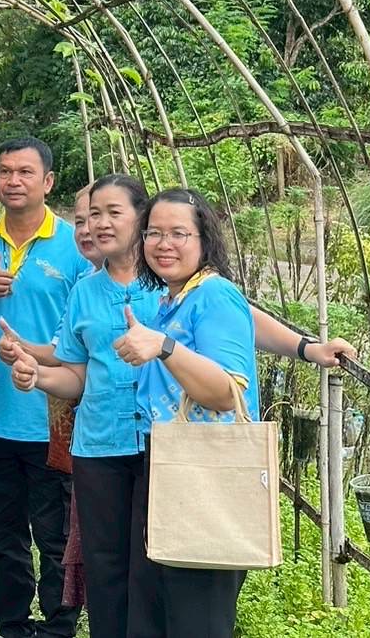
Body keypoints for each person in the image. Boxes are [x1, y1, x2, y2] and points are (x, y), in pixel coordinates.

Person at [7, 174, 161, 638]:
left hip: (163, 445)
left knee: (153, 564)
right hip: (98, 448)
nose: (100, 223)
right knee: (106, 567)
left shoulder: (171, 284)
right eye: (94, 213)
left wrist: (306, 347)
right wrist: (36, 376)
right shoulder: (84, 291)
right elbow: (75, 374)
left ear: (142, 217)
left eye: (114, 212)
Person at [112, 187, 261, 637]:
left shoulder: (215, 295)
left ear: (204, 240)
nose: (164, 244)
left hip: (207, 472)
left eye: (179, 233)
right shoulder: (172, 299)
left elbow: (224, 391)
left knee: (197, 615)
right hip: (165, 463)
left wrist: (165, 347)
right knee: (157, 607)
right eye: (154, 233)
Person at [0, 137, 92, 638]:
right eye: (5, 171)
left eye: (24, 172)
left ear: (48, 182)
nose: (13, 181)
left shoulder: (73, 246)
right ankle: (12, 623)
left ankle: (60, 625)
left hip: (52, 418)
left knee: (55, 533)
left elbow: (83, 333)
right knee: (1, 532)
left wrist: (34, 352)